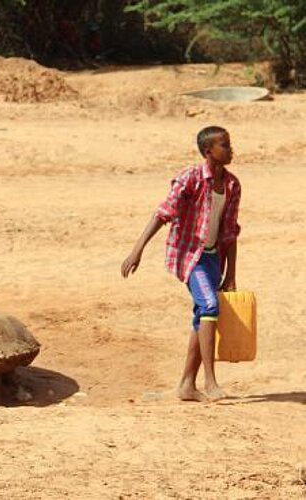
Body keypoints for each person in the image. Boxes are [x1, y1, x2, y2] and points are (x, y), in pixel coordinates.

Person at [121, 126, 241, 402]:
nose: (231, 149)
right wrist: (136, 251)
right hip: (188, 254)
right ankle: (211, 383)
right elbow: (162, 214)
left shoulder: (233, 185)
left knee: (203, 313)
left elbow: (230, 232)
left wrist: (231, 273)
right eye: (224, 145)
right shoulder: (190, 178)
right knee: (210, 305)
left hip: (212, 257)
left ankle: (187, 385)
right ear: (209, 151)